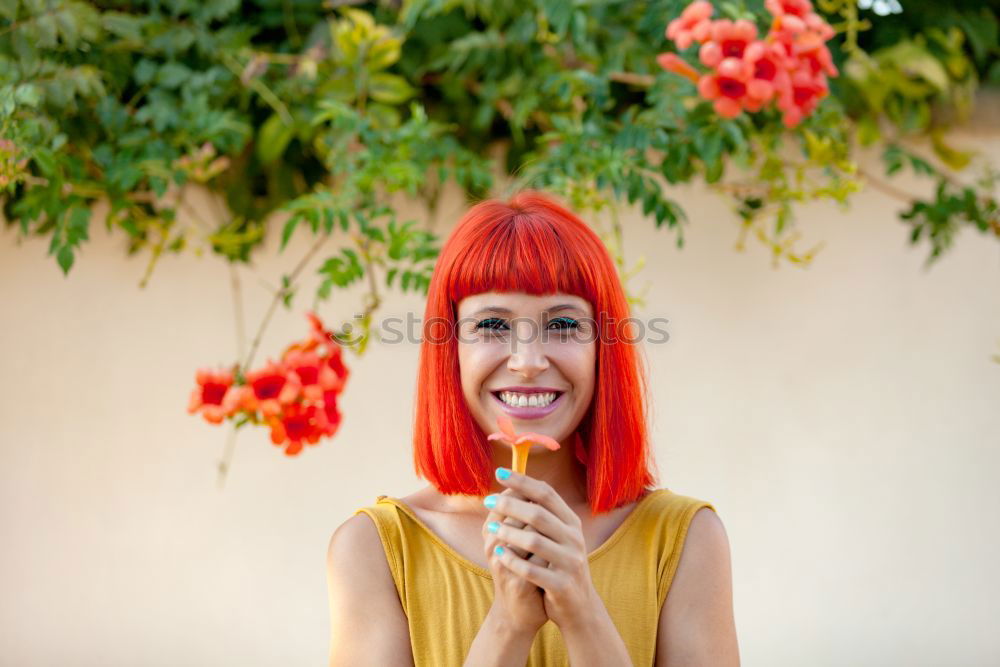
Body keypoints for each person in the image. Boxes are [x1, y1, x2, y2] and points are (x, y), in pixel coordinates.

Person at [326, 190, 739, 666]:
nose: (527, 363)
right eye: (492, 327)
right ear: (450, 350)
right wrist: (509, 623)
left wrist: (582, 612)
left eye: (563, 324)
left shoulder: (687, 539)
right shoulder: (373, 549)